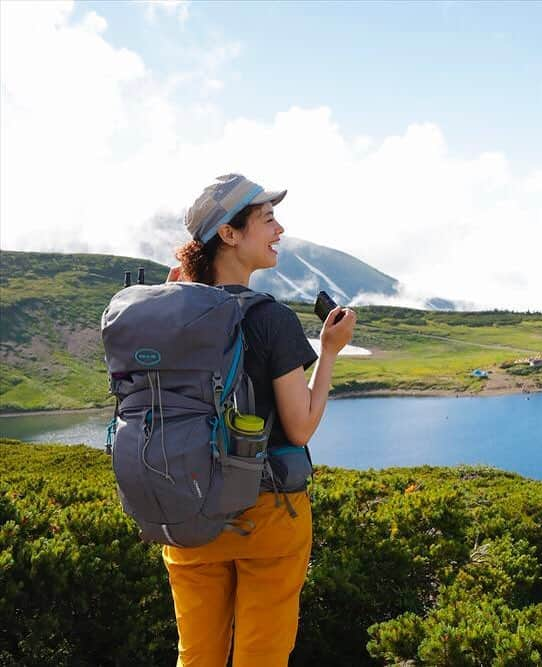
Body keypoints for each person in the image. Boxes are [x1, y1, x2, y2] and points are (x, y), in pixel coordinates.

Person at [162, 173, 356, 666]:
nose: (280, 230)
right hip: (267, 512)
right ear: (229, 234)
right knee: (261, 657)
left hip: (184, 510)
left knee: (197, 656)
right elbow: (301, 427)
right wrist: (330, 352)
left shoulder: (167, 312)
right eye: (267, 220)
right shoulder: (271, 319)